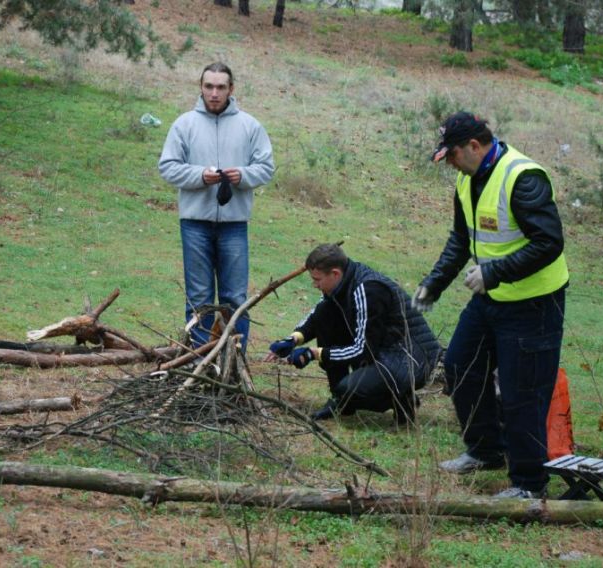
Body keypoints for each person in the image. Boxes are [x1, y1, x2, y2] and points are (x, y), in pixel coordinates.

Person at [412, 111, 569, 498]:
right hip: (491, 298)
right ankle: (485, 451)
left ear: (475, 146)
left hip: (534, 303)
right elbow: (460, 241)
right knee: (459, 364)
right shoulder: (467, 182)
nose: (449, 163)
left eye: (452, 155)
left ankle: (530, 484)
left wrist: (494, 272)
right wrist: (434, 284)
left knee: (523, 391)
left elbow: (549, 243)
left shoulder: (523, 177)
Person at [158, 62, 274, 350]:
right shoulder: (184, 124)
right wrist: (200, 176)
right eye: (209, 86)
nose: (214, 93)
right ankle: (198, 361)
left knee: (235, 298)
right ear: (201, 87)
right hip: (194, 223)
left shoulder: (250, 126)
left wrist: (243, 176)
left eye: (221, 87)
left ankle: (234, 362)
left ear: (231, 90)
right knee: (199, 298)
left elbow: (266, 167)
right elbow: (168, 167)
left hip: (234, 225)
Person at [267, 244, 441, 425]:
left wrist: (313, 353)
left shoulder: (368, 290)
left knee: (350, 390)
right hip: (383, 349)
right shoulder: (342, 282)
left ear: (335, 273)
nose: (315, 285)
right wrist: (293, 339)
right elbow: (318, 315)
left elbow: (363, 350)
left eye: (317, 279)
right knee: (326, 314)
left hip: (410, 358)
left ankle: (402, 399)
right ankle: (342, 401)